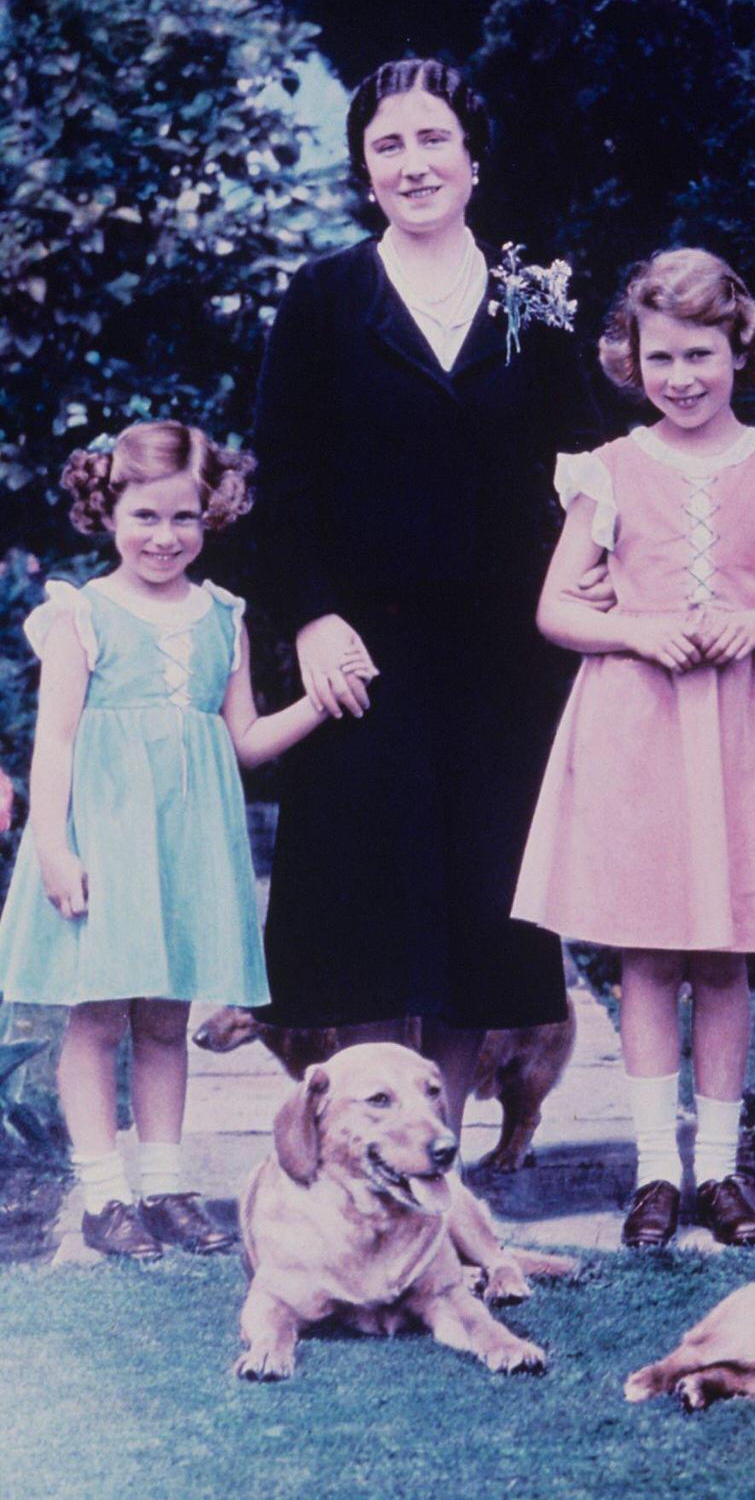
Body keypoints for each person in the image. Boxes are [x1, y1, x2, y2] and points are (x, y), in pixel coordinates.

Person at [251, 57, 602, 1140]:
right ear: (364, 172)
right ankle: (367, 1142)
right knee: (365, 900)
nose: (413, 162)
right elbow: (282, 479)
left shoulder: (530, 305)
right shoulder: (324, 300)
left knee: (481, 911)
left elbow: (586, 474)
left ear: (472, 158)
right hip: (362, 652)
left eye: (432, 138)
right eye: (388, 145)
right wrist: (309, 617)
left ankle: (437, 1155)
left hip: (504, 659)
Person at [514, 247, 755, 1249]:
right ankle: (653, 1173)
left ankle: (718, 1170)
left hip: (745, 728)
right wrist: (631, 627)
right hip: (638, 724)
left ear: (737, 352)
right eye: (660, 356)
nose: (680, 377)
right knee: (646, 952)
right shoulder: (610, 471)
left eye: (700, 355)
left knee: (724, 959)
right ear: (632, 358)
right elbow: (552, 609)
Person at [0, 421, 366, 1260]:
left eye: (184, 520)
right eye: (146, 517)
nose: (165, 538)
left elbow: (240, 741)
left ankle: (163, 1186)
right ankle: (104, 1194)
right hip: (105, 840)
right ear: (107, 510)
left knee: (166, 1020)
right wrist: (53, 846)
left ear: (211, 517)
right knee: (96, 1019)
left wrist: (320, 701)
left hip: (186, 847)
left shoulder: (222, 617)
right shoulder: (80, 615)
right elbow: (52, 744)